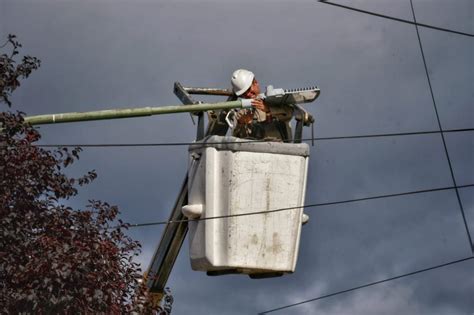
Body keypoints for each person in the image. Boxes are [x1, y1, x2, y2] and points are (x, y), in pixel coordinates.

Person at [230, 69, 293, 141]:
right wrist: (241, 123)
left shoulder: (275, 102)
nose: (247, 94)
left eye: (248, 89)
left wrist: (269, 109)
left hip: (278, 149)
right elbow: (235, 139)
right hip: (254, 150)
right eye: (243, 93)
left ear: (256, 83)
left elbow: (289, 114)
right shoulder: (241, 114)